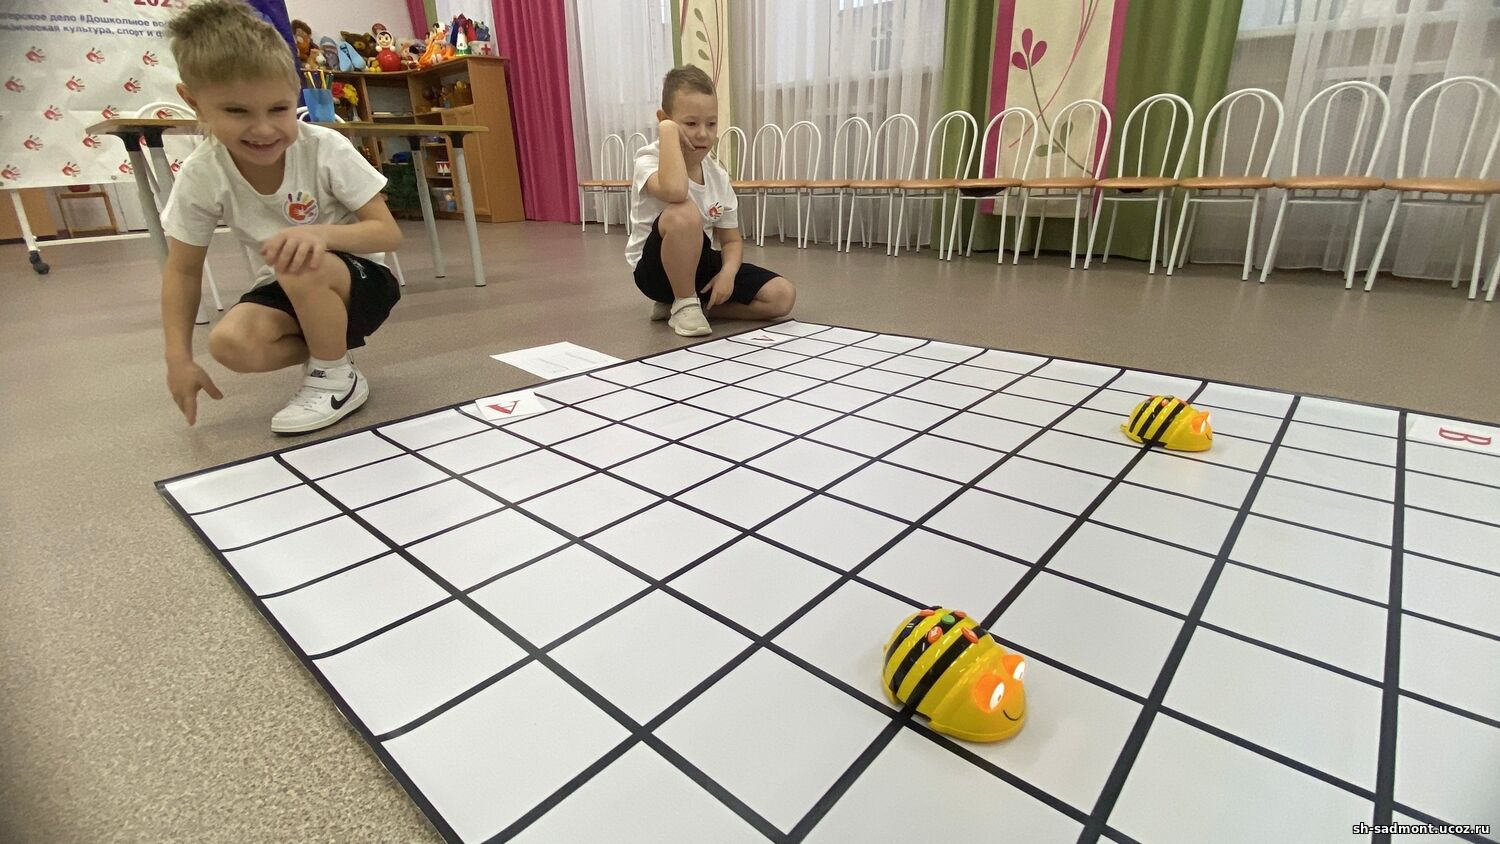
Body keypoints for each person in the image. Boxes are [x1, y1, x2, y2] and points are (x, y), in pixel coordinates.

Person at [159, 0, 403, 434]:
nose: (263, 129)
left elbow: (387, 233)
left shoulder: (324, 148)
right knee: (230, 344)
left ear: (296, 95)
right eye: (237, 111)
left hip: (361, 283)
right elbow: (182, 270)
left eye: (278, 109)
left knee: (298, 260)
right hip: (287, 283)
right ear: (194, 103)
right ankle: (334, 355)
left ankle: (334, 377)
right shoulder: (202, 172)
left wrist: (319, 235)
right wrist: (178, 357)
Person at [625, 66, 795, 337]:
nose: (703, 134)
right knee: (683, 212)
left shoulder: (717, 175)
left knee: (781, 296)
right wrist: (667, 131)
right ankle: (683, 302)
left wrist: (727, 274)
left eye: (712, 124)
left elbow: (731, 241)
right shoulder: (649, 159)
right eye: (691, 124)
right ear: (665, 120)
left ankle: (694, 306)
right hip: (655, 271)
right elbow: (675, 191)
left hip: (698, 264)